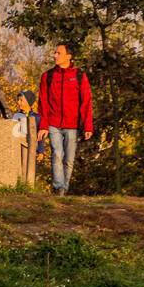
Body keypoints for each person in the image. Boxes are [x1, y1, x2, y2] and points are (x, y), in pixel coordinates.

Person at [37, 42, 93, 196]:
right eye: (55, 53)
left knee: (68, 160)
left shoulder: (79, 76)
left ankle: (63, 191)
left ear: (69, 56)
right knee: (57, 154)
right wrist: (43, 125)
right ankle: (59, 187)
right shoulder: (47, 76)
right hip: (53, 123)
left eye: (58, 53)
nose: (55, 55)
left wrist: (88, 126)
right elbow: (43, 103)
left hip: (72, 125)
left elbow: (86, 102)